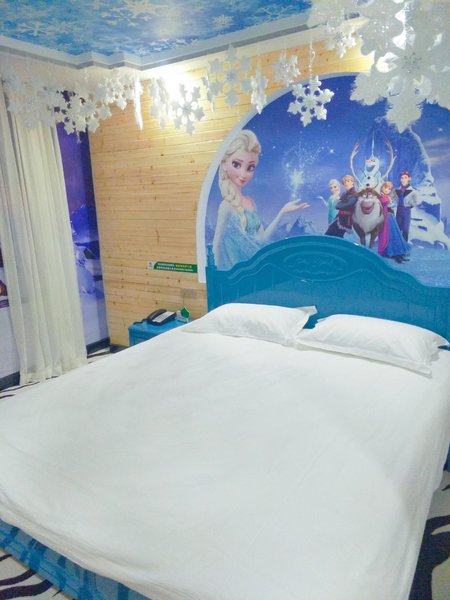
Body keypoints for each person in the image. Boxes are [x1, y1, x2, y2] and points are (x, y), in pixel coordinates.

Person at [212, 130, 309, 271]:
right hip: (237, 273)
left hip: (255, 268)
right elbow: (217, 244)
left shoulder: (251, 202)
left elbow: (262, 239)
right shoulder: (226, 206)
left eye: (250, 168)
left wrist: (282, 212)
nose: (243, 174)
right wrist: (215, 275)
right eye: (237, 164)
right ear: (224, 164)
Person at [378, 181, 410, 263]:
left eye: (389, 189)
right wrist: (393, 203)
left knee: (395, 235)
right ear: (382, 187)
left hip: (390, 217)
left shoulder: (387, 196)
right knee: (390, 235)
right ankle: (392, 253)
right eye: (386, 188)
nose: (387, 190)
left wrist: (393, 202)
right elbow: (387, 204)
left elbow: (391, 204)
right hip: (386, 218)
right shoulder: (381, 196)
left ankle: (398, 254)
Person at [394, 171, 419, 242]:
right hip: (398, 211)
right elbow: (392, 198)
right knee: (397, 228)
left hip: (406, 211)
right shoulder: (397, 190)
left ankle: (404, 245)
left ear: (409, 179)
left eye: (405, 178)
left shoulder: (413, 191)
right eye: (402, 178)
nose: (403, 179)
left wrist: (410, 204)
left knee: (405, 229)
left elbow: (417, 201)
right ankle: (397, 245)